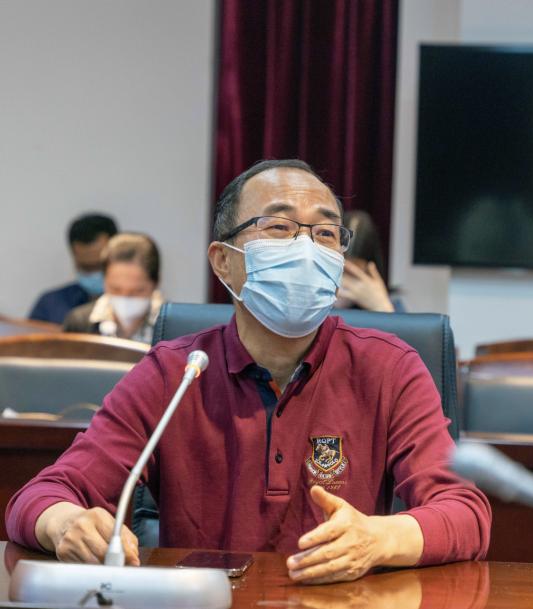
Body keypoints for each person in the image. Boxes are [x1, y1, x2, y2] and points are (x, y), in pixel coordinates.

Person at [6, 160, 491, 585]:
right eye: (279, 227)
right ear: (224, 262)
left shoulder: (389, 367)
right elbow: (41, 496)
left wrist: (380, 538)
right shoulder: (174, 373)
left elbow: (466, 512)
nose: (307, 248)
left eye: (325, 234)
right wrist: (65, 523)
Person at [63, 233, 163, 344]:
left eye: (136, 291)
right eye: (116, 289)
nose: (125, 299)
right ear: (104, 281)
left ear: (155, 284)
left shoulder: (172, 327)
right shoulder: (79, 323)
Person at [29, 214, 119, 324]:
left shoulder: (131, 305)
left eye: (100, 266)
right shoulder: (50, 305)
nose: (94, 273)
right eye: (86, 267)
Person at [335, 210, 403, 313]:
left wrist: (382, 307)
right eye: (341, 271)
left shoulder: (393, 305)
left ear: (371, 269)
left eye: (354, 274)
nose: (346, 281)